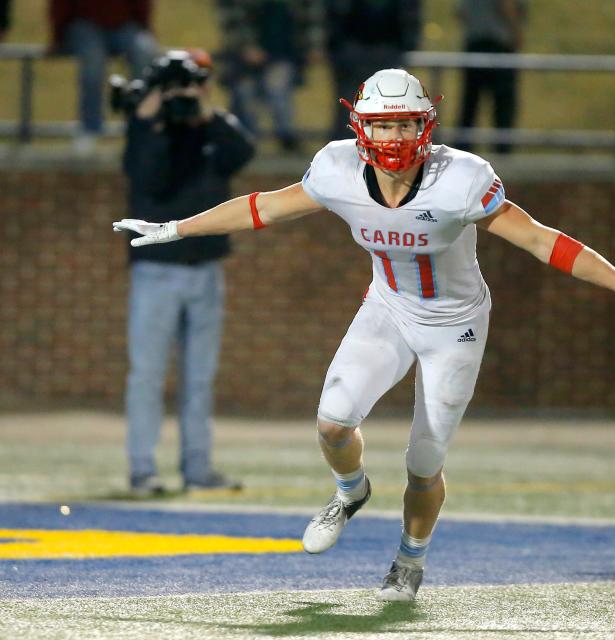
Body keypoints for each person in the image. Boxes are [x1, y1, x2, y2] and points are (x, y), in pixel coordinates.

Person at [114, 68, 615, 600]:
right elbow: (263, 206)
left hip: (456, 326)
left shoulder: (462, 178)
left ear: (425, 125)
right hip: (388, 309)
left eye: (403, 122)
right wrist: (175, 228)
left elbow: (541, 239)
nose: (393, 136)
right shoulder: (337, 168)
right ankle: (350, 492)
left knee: (424, 459)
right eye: (382, 123)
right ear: (360, 127)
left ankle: (408, 562)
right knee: (332, 422)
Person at [120, 50, 255, 497]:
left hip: (206, 268)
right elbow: (144, 176)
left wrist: (205, 110)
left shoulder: (210, 129)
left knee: (199, 377)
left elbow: (243, 152)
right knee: (147, 374)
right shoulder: (145, 130)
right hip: (156, 271)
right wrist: (149, 115)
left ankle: (197, 469)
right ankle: (143, 470)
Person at [214, 0, 325, 152]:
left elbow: (310, 17)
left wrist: (313, 46)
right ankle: (245, 141)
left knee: (276, 87)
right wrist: (246, 46)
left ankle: (286, 137)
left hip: (282, 51)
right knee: (246, 94)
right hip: (245, 58)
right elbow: (233, 18)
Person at [48, 0, 157, 154]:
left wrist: (146, 26)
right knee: (93, 61)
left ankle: (141, 127)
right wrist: (56, 36)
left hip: (125, 26)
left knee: (144, 51)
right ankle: (89, 129)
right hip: (84, 25)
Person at [325, 0, 421, 139]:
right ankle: (352, 147)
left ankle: (375, 147)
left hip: (381, 48)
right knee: (353, 106)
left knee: (381, 105)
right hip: (357, 49)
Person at [456, 0, 527, 154]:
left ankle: (461, 153)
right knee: (503, 106)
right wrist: (516, 33)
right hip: (499, 43)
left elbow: (461, 12)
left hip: (474, 43)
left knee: (470, 104)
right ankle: (502, 153)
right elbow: (506, 5)